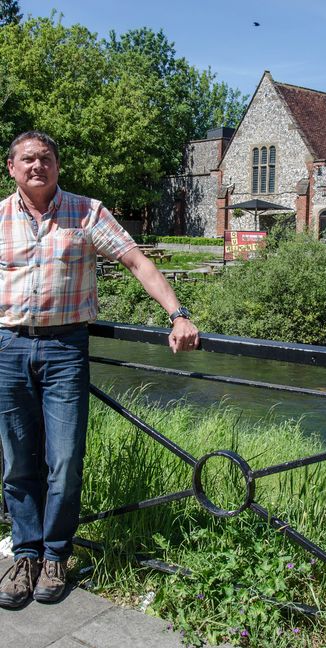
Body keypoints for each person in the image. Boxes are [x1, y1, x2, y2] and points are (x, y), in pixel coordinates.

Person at [0, 131, 199, 609]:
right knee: (17, 461)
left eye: (46, 158)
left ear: (58, 166)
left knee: (65, 461)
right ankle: (24, 554)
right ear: (11, 167)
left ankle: (55, 555)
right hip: (7, 347)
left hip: (66, 347)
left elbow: (135, 260)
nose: (37, 166)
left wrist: (177, 314)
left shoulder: (86, 212)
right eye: (27, 159)